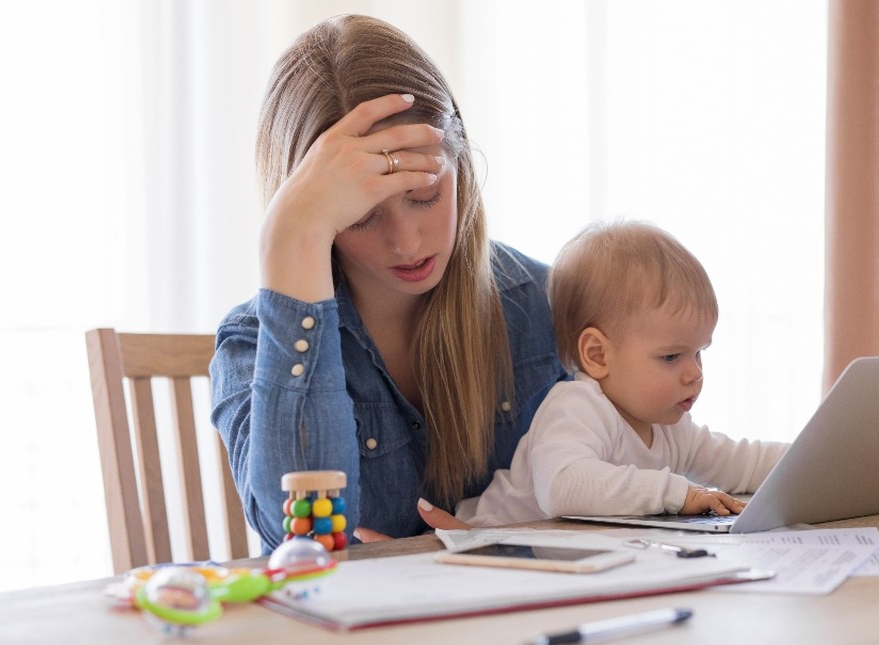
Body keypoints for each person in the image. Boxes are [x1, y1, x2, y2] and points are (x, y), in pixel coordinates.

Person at [210, 15, 566, 552]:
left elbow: (637, 488)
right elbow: (302, 540)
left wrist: (497, 547)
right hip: (346, 635)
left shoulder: (542, 303)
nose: (406, 242)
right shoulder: (252, 344)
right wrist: (286, 242)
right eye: (360, 216)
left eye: (424, 195)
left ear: (461, 165)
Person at [455, 221, 789, 527]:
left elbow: (741, 462)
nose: (695, 374)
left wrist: (824, 461)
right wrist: (676, 493)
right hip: (491, 553)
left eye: (699, 352)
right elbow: (561, 487)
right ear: (598, 355)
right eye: (671, 356)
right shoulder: (576, 407)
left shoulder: (670, 426)